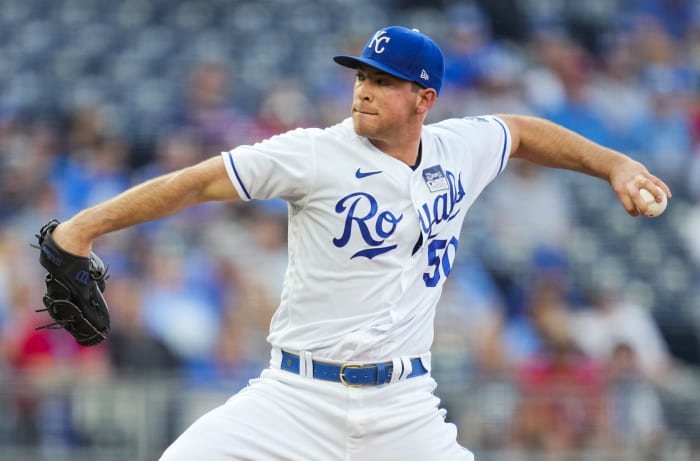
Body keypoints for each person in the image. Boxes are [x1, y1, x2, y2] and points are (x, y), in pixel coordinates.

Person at [44, 26, 671, 461]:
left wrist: (614, 164)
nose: (364, 88)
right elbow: (200, 181)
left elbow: (523, 132)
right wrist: (82, 228)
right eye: (362, 74)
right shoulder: (313, 153)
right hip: (295, 396)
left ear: (424, 99)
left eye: (384, 80)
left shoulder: (459, 149)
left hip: (404, 406)